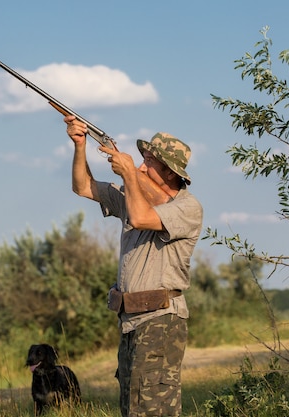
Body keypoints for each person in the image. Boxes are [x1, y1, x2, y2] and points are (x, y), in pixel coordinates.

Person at [64, 115, 203, 417]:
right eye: (140, 161)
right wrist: (80, 145)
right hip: (131, 322)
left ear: (168, 171)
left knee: (149, 410)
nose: (141, 166)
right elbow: (83, 187)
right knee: (132, 408)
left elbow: (141, 217)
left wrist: (128, 174)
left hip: (160, 321)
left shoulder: (187, 208)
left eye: (149, 162)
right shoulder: (134, 196)